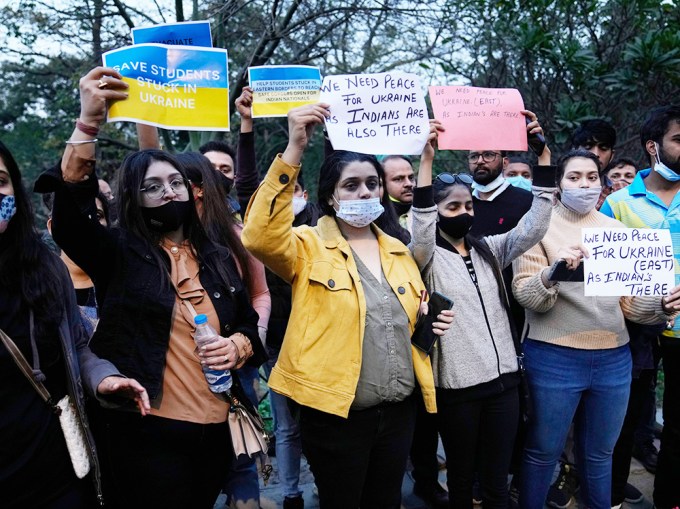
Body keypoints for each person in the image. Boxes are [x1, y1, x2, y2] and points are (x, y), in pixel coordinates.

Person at [35, 66, 266, 509]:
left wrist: (237, 345)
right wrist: (89, 122)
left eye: (176, 182)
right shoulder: (118, 253)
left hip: (216, 431)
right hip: (145, 434)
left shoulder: (217, 256)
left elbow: (252, 328)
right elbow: (68, 218)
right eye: (152, 187)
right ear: (134, 199)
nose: (168, 192)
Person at [242, 104, 453, 509]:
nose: (365, 193)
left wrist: (429, 324)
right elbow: (258, 237)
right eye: (351, 186)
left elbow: (406, 322)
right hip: (336, 417)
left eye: (372, 184)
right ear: (330, 196)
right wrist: (294, 149)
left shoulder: (398, 249)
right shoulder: (306, 245)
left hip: (398, 413)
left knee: (386, 501)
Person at [511, 149, 680, 509]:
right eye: (574, 177)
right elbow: (527, 294)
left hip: (614, 359)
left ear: (601, 184)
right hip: (554, 356)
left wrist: (661, 307)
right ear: (558, 184)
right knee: (543, 452)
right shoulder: (537, 225)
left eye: (591, 177)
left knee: (600, 455)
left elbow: (630, 304)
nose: (584, 184)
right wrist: (555, 272)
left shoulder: (616, 231)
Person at [410, 115, 553, 509]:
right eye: (452, 206)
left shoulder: (489, 248)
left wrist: (543, 155)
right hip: (457, 390)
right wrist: (426, 159)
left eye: (468, 204)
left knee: (496, 479)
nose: (464, 211)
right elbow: (420, 226)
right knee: (461, 477)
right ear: (436, 212)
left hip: (505, 384)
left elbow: (535, 227)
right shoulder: (423, 257)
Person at [0, 139, 146, 508]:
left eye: (1, 180)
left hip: (55, 474)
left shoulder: (45, 270)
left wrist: (104, 378)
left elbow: (76, 346)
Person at [176, 150, 271, 509]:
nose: (164, 192)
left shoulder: (234, 237)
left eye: (175, 183)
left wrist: (246, 341)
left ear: (197, 190)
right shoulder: (152, 244)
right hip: (177, 381)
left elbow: (260, 294)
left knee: (240, 460)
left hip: (234, 375)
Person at [600, 105, 680, 509]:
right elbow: (602, 272)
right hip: (633, 329)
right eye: (678, 140)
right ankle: (610, 498)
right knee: (623, 420)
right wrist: (645, 301)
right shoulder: (616, 204)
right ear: (653, 146)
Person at [381, 154, 415, 229]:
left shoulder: (426, 212)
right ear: (382, 183)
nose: (409, 184)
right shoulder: (376, 218)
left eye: (411, 177)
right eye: (398, 179)